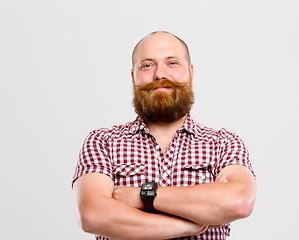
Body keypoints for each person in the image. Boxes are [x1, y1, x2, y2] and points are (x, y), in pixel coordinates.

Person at [72, 31, 256, 240]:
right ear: (133, 77)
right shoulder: (102, 142)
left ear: (190, 72)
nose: (160, 74)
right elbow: (92, 215)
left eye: (172, 63)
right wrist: (188, 225)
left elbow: (239, 202)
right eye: (147, 65)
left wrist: (142, 195)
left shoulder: (224, 143)